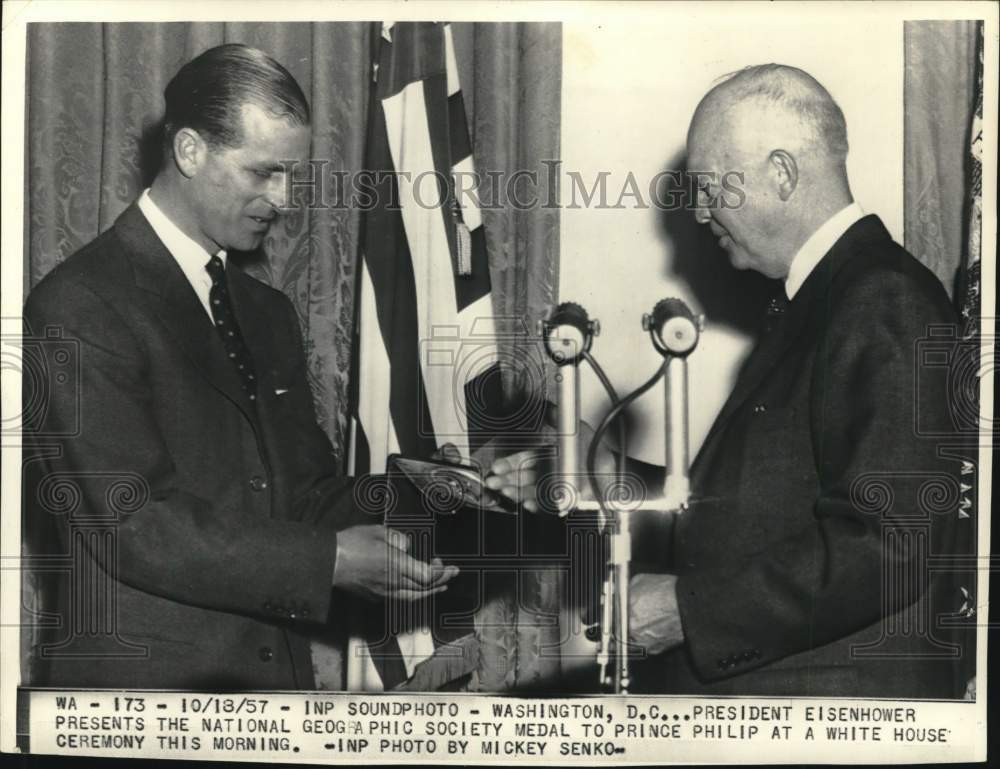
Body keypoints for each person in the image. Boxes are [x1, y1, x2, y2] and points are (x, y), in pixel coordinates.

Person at [490, 64, 966, 697]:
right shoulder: (827, 298)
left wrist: (689, 610)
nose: (699, 210)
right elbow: (759, 515)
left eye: (711, 186)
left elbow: (891, 544)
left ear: (783, 173)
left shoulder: (882, 298)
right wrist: (604, 470)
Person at [23, 43, 457, 690]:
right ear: (191, 151)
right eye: (264, 172)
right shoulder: (80, 302)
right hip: (143, 703)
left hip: (270, 697)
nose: (284, 199)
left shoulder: (266, 311)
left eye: (292, 174)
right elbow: (136, 521)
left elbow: (301, 495)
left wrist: (430, 491)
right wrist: (333, 559)